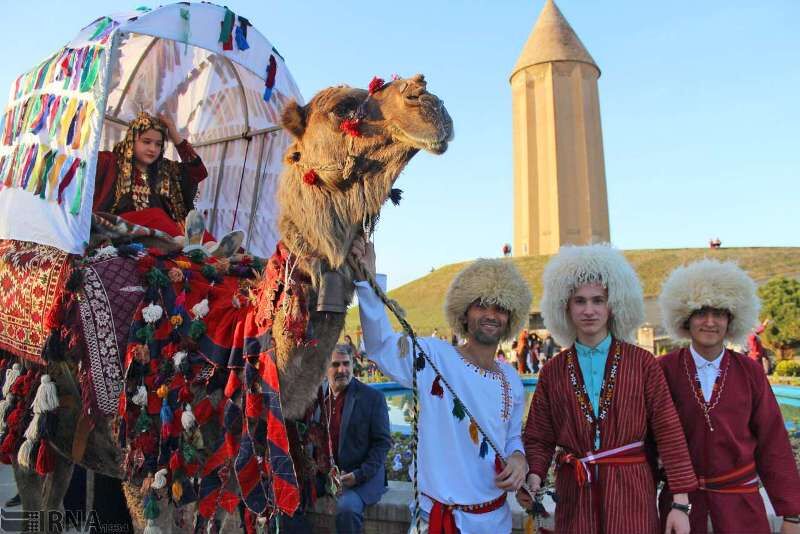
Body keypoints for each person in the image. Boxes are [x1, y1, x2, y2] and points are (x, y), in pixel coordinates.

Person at [351, 237, 530, 534]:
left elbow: (511, 437)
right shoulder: (434, 357)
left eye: (500, 308)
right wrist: (368, 283)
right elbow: (381, 345)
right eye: (481, 305)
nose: (491, 314)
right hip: (436, 520)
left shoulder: (510, 379)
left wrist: (519, 458)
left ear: (510, 317)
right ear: (464, 313)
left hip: (495, 522)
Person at [518, 244, 697, 534]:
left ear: (612, 304)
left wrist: (680, 504)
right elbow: (539, 435)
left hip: (632, 491)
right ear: (565, 305)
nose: (589, 310)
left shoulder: (642, 363)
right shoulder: (552, 371)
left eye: (598, 300)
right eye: (580, 301)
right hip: (574, 495)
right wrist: (535, 474)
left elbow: (668, 431)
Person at [656, 259, 800, 534]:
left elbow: (774, 443)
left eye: (719, 313)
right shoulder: (663, 370)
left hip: (741, 509)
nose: (710, 322)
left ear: (731, 318)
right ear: (685, 317)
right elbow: (647, 442)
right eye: (700, 312)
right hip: (681, 511)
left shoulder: (750, 372)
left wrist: (791, 514)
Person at [92, 111, 208, 235]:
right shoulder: (111, 163)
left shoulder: (166, 170)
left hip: (161, 234)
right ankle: (181, 243)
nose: (153, 149)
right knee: (156, 215)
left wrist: (174, 134)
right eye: (146, 142)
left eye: (158, 144)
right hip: (121, 231)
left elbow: (198, 172)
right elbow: (85, 159)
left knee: (194, 227)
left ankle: (211, 247)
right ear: (132, 141)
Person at [318, 344, 393, 533]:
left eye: (346, 364)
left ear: (353, 364)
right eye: (335, 364)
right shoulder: (316, 398)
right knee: (289, 497)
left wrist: (359, 474)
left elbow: (382, 444)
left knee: (347, 509)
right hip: (326, 476)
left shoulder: (372, 398)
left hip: (361, 477)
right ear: (325, 367)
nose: (342, 370)